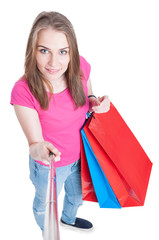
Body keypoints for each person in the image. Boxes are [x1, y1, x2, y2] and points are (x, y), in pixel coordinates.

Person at [10, 11, 110, 234]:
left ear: (71, 52)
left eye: (62, 52)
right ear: (32, 50)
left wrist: (95, 101)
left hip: (81, 156)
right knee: (45, 205)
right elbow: (35, 144)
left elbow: (89, 92)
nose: (54, 63)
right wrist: (41, 150)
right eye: (44, 51)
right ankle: (46, 230)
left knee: (77, 196)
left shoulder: (80, 67)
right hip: (49, 166)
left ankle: (68, 218)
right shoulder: (23, 91)